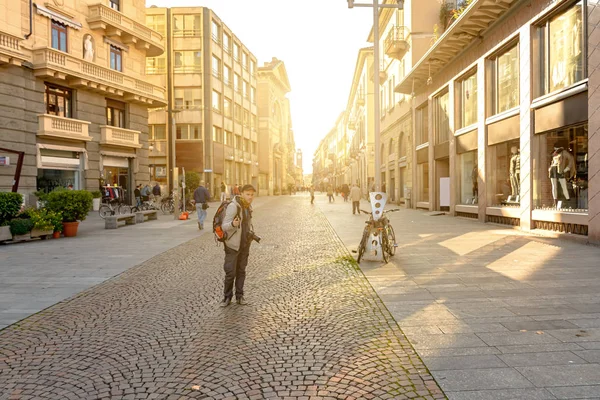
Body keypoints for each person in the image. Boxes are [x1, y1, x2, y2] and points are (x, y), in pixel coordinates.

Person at [220, 184, 256, 307]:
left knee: (241, 271)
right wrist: (233, 224)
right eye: (248, 194)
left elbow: (247, 224)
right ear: (241, 193)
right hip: (232, 245)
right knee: (230, 272)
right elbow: (224, 226)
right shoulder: (233, 207)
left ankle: (240, 296)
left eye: (252, 195)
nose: (250, 197)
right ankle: (227, 297)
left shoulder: (248, 207)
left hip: (245, 244)